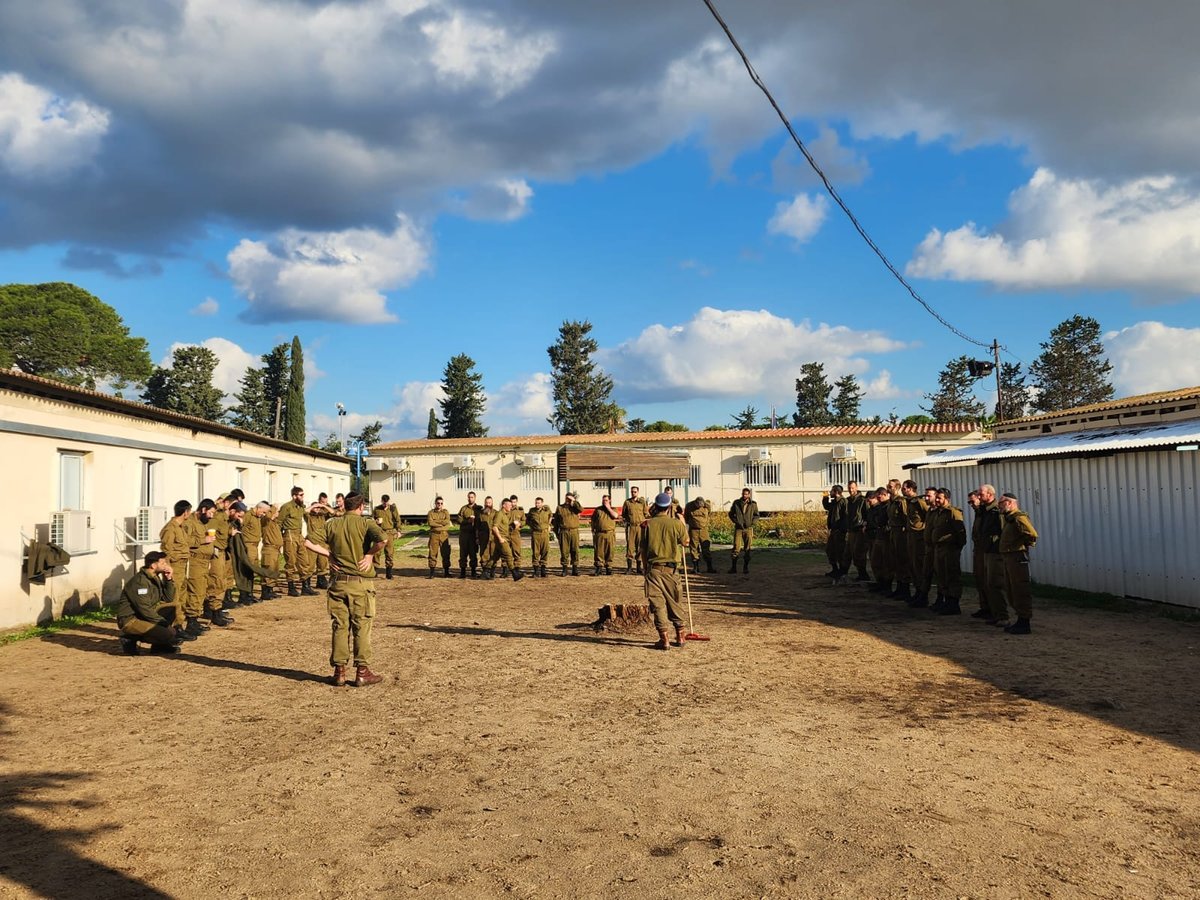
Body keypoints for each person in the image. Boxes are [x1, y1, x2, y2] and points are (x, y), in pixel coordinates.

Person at [305, 492, 386, 687]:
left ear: (345, 506)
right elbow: (383, 540)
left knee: (340, 626)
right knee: (362, 626)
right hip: (360, 584)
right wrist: (369, 555)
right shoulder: (366, 523)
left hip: (337, 584)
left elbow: (307, 542)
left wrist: (329, 555)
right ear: (361, 507)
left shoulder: (332, 523)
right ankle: (362, 672)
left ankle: (339, 672)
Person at [640, 492, 690, 650]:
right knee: (674, 603)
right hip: (671, 570)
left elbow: (643, 550)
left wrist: (645, 568)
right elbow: (686, 542)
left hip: (653, 570)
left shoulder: (647, 524)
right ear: (669, 507)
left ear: (655, 506)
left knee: (658, 605)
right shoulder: (676, 524)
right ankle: (680, 636)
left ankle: (665, 639)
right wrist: (682, 522)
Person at [115, 551, 186, 655]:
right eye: (163, 563)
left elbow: (168, 598)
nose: (166, 565)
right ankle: (129, 638)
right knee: (167, 634)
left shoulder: (154, 577)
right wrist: (165, 625)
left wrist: (168, 579)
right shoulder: (140, 582)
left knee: (170, 609)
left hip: (142, 616)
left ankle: (159, 647)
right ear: (153, 565)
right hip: (130, 619)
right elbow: (144, 609)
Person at [998, 493, 1038, 634]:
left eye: (1001, 502)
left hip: (1017, 558)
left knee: (1020, 589)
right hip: (1009, 558)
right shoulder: (1009, 519)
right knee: (1011, 590)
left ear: (1009, 503)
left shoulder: (1018, 517)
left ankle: (1024, 622)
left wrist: (1021, 546)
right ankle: (1020, 619)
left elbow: (1032, 534)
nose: (999, 505)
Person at [227, 502, 279, 605]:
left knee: (251, 572)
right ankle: (244, 595)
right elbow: (238, 525)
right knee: (246, 571)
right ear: (258, 508)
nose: (263, 514)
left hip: (254, 546)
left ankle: (249, 594)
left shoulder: (257, 517)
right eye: (263, 512)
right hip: (248, 545)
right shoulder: (248, 515)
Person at [929, 488, 967, 615]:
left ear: (947, 499)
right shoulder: (938, 513)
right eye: (937, 498)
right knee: (941, 575)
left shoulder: (953, 512)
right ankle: (945, 601)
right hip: (939, 548)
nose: (937, 500)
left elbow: (960, 533)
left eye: (940, 498)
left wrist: (956, 548)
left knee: (952, 575)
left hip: (949, 549)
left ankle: (953, 603)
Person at [159, 500, 194, 631]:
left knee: (182, 596)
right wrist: (168, 569)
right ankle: (174, 627)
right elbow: (166, 550)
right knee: (174, 597)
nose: (190, 514)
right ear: (185, 512)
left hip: (182, 566)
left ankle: (180, 625)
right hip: (174, 567)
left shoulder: (180, 527)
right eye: (189, 512)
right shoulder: (170, 528)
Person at [977, 483, 1008, 626]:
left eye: (981, 494)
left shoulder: (996, 512)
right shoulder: (985, 511)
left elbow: (1004, 532)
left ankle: (1002, 616)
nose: (979, 496)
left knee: (995, 584)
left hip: (995, 552)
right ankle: (994, 613)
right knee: (988, 584)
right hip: (987, 551)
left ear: (990, 495)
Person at [279, 486, 317, 596]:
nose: (302, 497)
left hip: (299, 535)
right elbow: (279, 522)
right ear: (294, 496)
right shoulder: (287, 507)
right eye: (300, 495)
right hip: (289, 534)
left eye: (303, 495)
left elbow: (306, 514)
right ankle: (291, 587)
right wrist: (280, 537)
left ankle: (306, 586)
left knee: (304, 560)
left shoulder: (300, 507)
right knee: (290, 561)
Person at [902, 480, 930, 606]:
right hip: (911, 537)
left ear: (911, 489)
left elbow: (928, 515)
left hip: (919, 538)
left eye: (904, 488)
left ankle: (923, 595)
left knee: (919, 566)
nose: (902, 490)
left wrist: (923, 529)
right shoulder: (908, 502)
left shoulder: (919, 501)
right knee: (912, 566)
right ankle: (918, 592)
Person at [966, 490, 990, 619]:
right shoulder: (979, 513)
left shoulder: (987, 513)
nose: (971, 504)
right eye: (969, 502)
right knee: (979, 579)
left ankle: (991, 609)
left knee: (987, 581)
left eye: (972, 501)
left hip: (985, 551)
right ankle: (984, 607)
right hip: (978, 550)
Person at [487, 497, 523, 580]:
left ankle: (485, 571)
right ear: (504, 505)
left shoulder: (506, 515)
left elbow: (506, 526)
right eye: (509, 505)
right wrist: (500, 538)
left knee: (495, 556)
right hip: (502, 539)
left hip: (505, 538)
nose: (511, 506)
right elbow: (494, 527)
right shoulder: (500, 514)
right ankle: (515, 574)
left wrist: (515, 525)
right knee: (509, 554)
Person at [886, 479, 911, 600]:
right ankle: (899, 587)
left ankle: (905, 589)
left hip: (900, 533)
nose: (888, 488)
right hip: (893, 531)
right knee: (894, 560)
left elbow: (906, 517)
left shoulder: (901, 501)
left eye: (890, 486)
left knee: (902, 560)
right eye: (888, 485)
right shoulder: (891, 502)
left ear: (897, 487)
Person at [841, 481, 870, 582]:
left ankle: (863, 574)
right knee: (847, 552)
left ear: (856, 488)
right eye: (849, 488)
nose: (851, 490)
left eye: (853, 488)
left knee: (858, 552)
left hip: (859, 530)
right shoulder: (848, 501)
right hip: (851, 529)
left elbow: (867, 514)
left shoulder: (862, 500)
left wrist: (865, 524)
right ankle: (843, 572)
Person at [307, 493, 335, 589]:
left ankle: (321, 581)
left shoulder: (323, 514)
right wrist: (313, 506)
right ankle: (307, 584)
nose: (317, 510)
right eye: (316, 508)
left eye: (318, 508)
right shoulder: (309, 516)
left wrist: (323, 506)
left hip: (322, 542)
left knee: (322, 563)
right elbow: (304, 512)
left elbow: (333, 512)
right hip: (312, 542)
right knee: (310, 564)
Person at [728, 487, 758, 574]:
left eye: (746, 494)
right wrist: (735, 521)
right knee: (736, 547)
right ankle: (734, 568)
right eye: (743, 494)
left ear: (749, 495)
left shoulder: (753, 504)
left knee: (747, 548)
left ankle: (745, 568)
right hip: (738, 528)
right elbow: (731, 514)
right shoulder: (736, 503)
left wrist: (752, 523)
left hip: (748, 529)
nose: (744, 495)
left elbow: (756, 515)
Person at [620, 487, 648, 575]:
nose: (633, 493)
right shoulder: (627, 502)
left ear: (638, 492)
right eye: (632, 492)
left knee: (640, 546)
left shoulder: (642, 502)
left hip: (640, 527)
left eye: (635, 492)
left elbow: (646, 513)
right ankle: (629, 567)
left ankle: (639, 567)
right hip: (631, 527)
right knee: (630, 547)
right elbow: (624, 514)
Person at [372, 494, 401, 580]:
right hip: (379, 532)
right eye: (384, 502)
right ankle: (375, 570)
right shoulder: (377, 509)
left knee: (389, 552)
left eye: (387, 502)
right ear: (381, 501)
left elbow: (397, 519)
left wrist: (398, 530)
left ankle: (389, 573)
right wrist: (376, 521)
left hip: (389, 533)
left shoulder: (392, 509)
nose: (385, 504)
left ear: (388, 501)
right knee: (376, 552)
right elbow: (372, 519)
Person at [554, 492, 583, 576]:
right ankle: (564, 569)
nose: (567, 500)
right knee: (564, 551)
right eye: (567, 498)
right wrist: (557, 533)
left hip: (574, 531)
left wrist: (574, 501)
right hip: (564, 531)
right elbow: (556, 522)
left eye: (569, 498)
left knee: (575, 550)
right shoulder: (560, 508)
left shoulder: (575, 507)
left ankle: (575, 568)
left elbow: (581, 509)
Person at [684, 495, 715, 574]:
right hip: (693, 530)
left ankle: (710, 567)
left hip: (703, 530)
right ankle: (696, 568)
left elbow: (709, 513)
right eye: (698, 506)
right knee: (694, 549)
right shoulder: (689, 506)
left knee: (706, 548)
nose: (699, 507)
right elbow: (686, 517)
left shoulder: (707, 506)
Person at [822, 486, 848, 580]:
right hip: (833, 530)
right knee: (830, 550)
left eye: (832, 490)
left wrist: (842, 529)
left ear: (836, 491)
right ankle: (835, 569)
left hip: (839, 531)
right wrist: (825, 498)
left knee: (840, 551)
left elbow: (845, 516)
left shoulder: (843, 501)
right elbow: (827, 507)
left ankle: (841, 571)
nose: (830, 492)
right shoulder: (834, 501)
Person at [261, 503, 285, 599]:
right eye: (277, 512)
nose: (278, 513)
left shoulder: (275, 522)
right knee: (268, 570)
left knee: (274, 570)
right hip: (269, 549)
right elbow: (267, 516)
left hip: (275, 549)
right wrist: (273, 507)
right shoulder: (266, 521)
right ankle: (265, 592)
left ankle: (270, 590)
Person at [591, 494, 618, 575]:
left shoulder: (613, 509)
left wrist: (608, 508)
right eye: (603, 500)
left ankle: (609, 567)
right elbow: (593, 520)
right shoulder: (598, 510)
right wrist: (593, 529)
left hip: (610, 533)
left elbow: (615, 516)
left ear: (609, 501)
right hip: (600, 533)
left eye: (606, 500)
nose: (604, 502)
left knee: (610, 551)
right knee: (599, 551)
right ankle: (599, 567)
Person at [457, 491, 482, 578]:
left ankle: (473, 571)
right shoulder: (464, 508)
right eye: (469, 497)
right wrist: (467, 521)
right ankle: (463, 571)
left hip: (473, 534)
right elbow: (459, 519)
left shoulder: (478, 509)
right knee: (463, 553)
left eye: (472, 497)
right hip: (464, 534)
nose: (470, 499)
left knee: (473, 553)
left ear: (475, 498)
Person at [526, 497, 553, 577]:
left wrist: (549, 524)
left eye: (539, 503)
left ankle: (543, 570)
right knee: (535, 552)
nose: (537, 504)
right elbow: (527, 520)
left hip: (544, 533)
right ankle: (536, 571)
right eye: (536, 503)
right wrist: (532, 526)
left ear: (542, 503)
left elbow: (551, 515)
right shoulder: (532, 511)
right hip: (536, 533)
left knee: (545, 551)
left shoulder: (546, 510)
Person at [426, 496, 452, 578]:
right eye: (438, 503)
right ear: (435, 504)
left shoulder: (445, 512)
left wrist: (437, 524)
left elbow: (447, 522)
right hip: (434, 535)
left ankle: (446, 572)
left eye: (441, 503)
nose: (439, 505)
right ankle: (432, 572)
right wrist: (441, 523)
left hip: (444, 535)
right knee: (432, 553)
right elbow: (430, 523)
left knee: (446, 553)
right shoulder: (431, 513)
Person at [476, 496, 498, 574]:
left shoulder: (496, 513)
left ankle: (492, 571)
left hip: (493, 537)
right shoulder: (481, 513)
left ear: (492, 503)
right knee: (484, 554)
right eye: (486, 503)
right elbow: (477, 526)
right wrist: (477, 537)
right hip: (483, 537)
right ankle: (485, 571)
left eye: (489, 502)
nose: (488, 504)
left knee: (493, 554)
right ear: (484, 503)